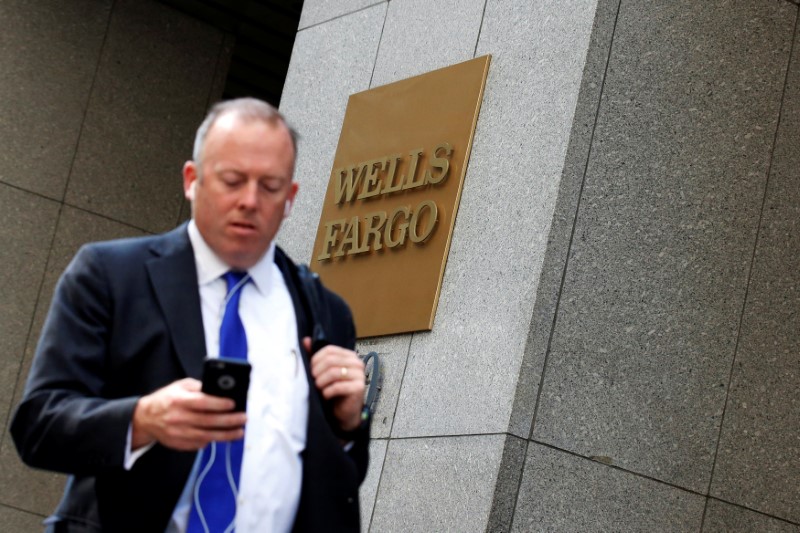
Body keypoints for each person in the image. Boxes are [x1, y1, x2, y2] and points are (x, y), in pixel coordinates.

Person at [10, 98, 370, 532]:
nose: (250, 201)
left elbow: (333, 482)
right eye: (232, 180)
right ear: (192, 180)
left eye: (270, 186)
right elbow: (39, 425)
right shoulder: (110, 275)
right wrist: (140, 420)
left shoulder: (325, 312)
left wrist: (349, 427)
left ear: (290, 198)